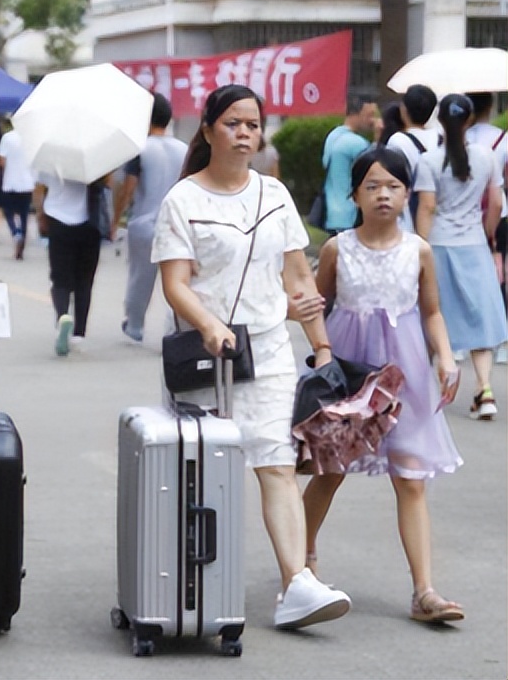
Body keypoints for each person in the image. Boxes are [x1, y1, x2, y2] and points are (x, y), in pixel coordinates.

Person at [152, 84, 352, 630]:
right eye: (233, 124)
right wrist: (210, 324)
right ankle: (189, 585)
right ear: (209, 130)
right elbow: (175, 284)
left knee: (277, 462)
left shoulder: (274, 195)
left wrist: (321, 345)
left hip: (266, 349)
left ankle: (296, 584)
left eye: (253, 125)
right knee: (201, 472)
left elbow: (298, 277)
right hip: (205, 356)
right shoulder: (183, 201)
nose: (245, 134)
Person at [303, 145, 464, 624]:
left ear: (407, 193)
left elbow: (432, 312)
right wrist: (321, 353)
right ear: (354, 195)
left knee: (411, 479)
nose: (383, 195)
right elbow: (316, 306)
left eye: (393, 186)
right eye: (371, 186)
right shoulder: (337, 249)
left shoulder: (419, 251)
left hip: (405, 376)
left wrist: (446, 357)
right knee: (329, 472)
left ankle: (424, 591)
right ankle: (301, 563)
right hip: (350, 373)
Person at [415, 93, 507, 419]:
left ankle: (425, 390)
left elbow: (427, 207)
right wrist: (487, 233)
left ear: (439, 120)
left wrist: (419, 248)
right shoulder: (486, 156)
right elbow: (496, 203)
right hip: (474, 244)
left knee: (432, 315)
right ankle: (484, 390)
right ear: (470, 119)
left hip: (439, 244)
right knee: (479, 317)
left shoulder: (429, 161)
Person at [112, 93, 187, 342]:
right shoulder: (184, 149)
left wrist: (116, 219)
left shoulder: (140, 149)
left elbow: (128, 189)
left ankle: (135, 325)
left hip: (144, 223)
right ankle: (175, 327)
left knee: (140, 278)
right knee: (178, 280)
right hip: (176, 225)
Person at [34, 168, 108, 357]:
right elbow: (107, 183)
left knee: (60, 279)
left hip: (57, 220)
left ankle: (62, 317)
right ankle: (78, 335)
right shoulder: (93, 161)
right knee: (85, 281)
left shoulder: (51, 160)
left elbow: (39, 189)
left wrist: (40, 215)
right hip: (89, 223)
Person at [466, 92, 508, 364]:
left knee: (466, 276)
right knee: (500, 273)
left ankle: (465, 338)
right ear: (491, 106)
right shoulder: (503, 138)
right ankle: (502, 340)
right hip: (499, 211)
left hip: (465, 214)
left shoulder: (457, 137)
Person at [387, 84, 440, 230]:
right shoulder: (441, 137)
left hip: (408, 218)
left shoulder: (397, 141)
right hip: (438, 218)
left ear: (404, 109)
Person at [322, 96, 378, 234]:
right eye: (369, 115)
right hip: (350, 214)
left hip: (333, 211)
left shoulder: (333, 136)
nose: (372, 121)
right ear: (355, 114)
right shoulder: (356, 143)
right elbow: (376, 167)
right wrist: (378, 137)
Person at [0, 125, 35, 261]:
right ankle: (21, 245)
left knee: (8, 212)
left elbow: (1, 161)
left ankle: (15, 232)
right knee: (24, 214)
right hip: (27, 182)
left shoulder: (7, 137)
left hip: (10, 181)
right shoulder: (31, 138)